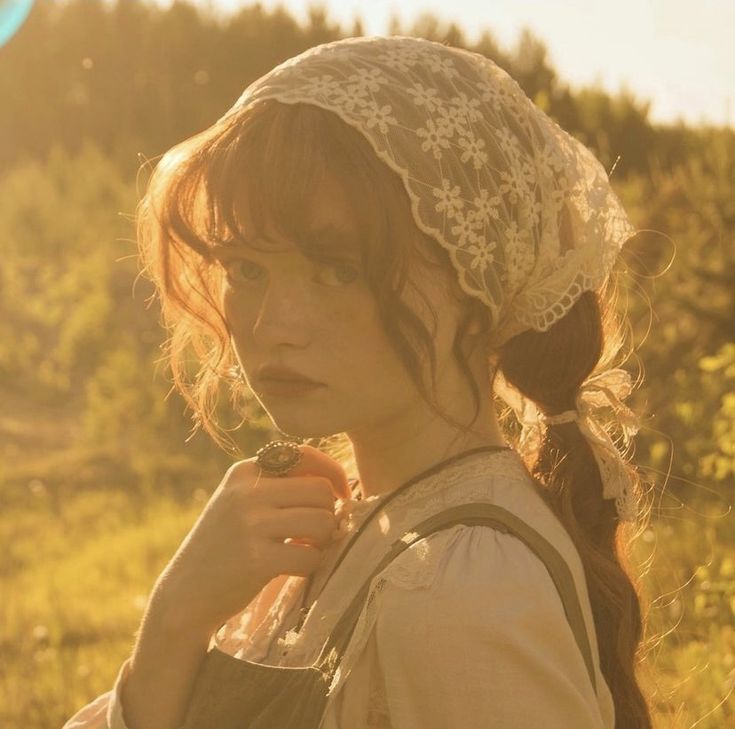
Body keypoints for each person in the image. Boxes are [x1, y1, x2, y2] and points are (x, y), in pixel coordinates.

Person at [63, 35, 654, 729]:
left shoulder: (459, 588)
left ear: (477, 281)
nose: (273, 324)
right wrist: (175, 620)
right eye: (246, 266)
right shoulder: (343, 524)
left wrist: (175, 622)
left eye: (336, 268)